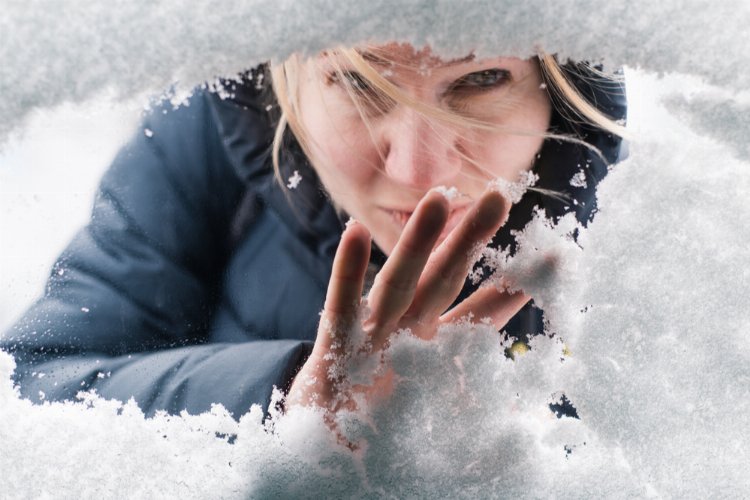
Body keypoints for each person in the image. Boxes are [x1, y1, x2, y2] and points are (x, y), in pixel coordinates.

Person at [1, 43, 626, 419]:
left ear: (563, 89)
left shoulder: (654, 233)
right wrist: (282, 400)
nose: (420, 171)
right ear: (285, 78)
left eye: (481, 79)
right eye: (359, 82)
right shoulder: (203, 136)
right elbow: (28, 389)